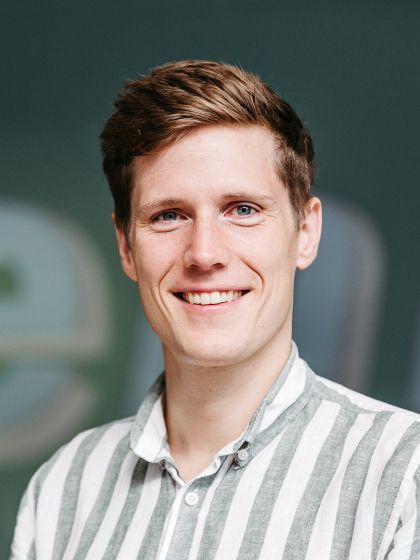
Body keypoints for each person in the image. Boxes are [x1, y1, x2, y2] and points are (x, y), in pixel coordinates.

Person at [10, 60, 420, 560]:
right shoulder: (63, 489)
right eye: (169, 215)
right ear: (125, 246)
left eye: (243, 210)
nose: (204, 253)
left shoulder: (404, 476)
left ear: (306, 232)